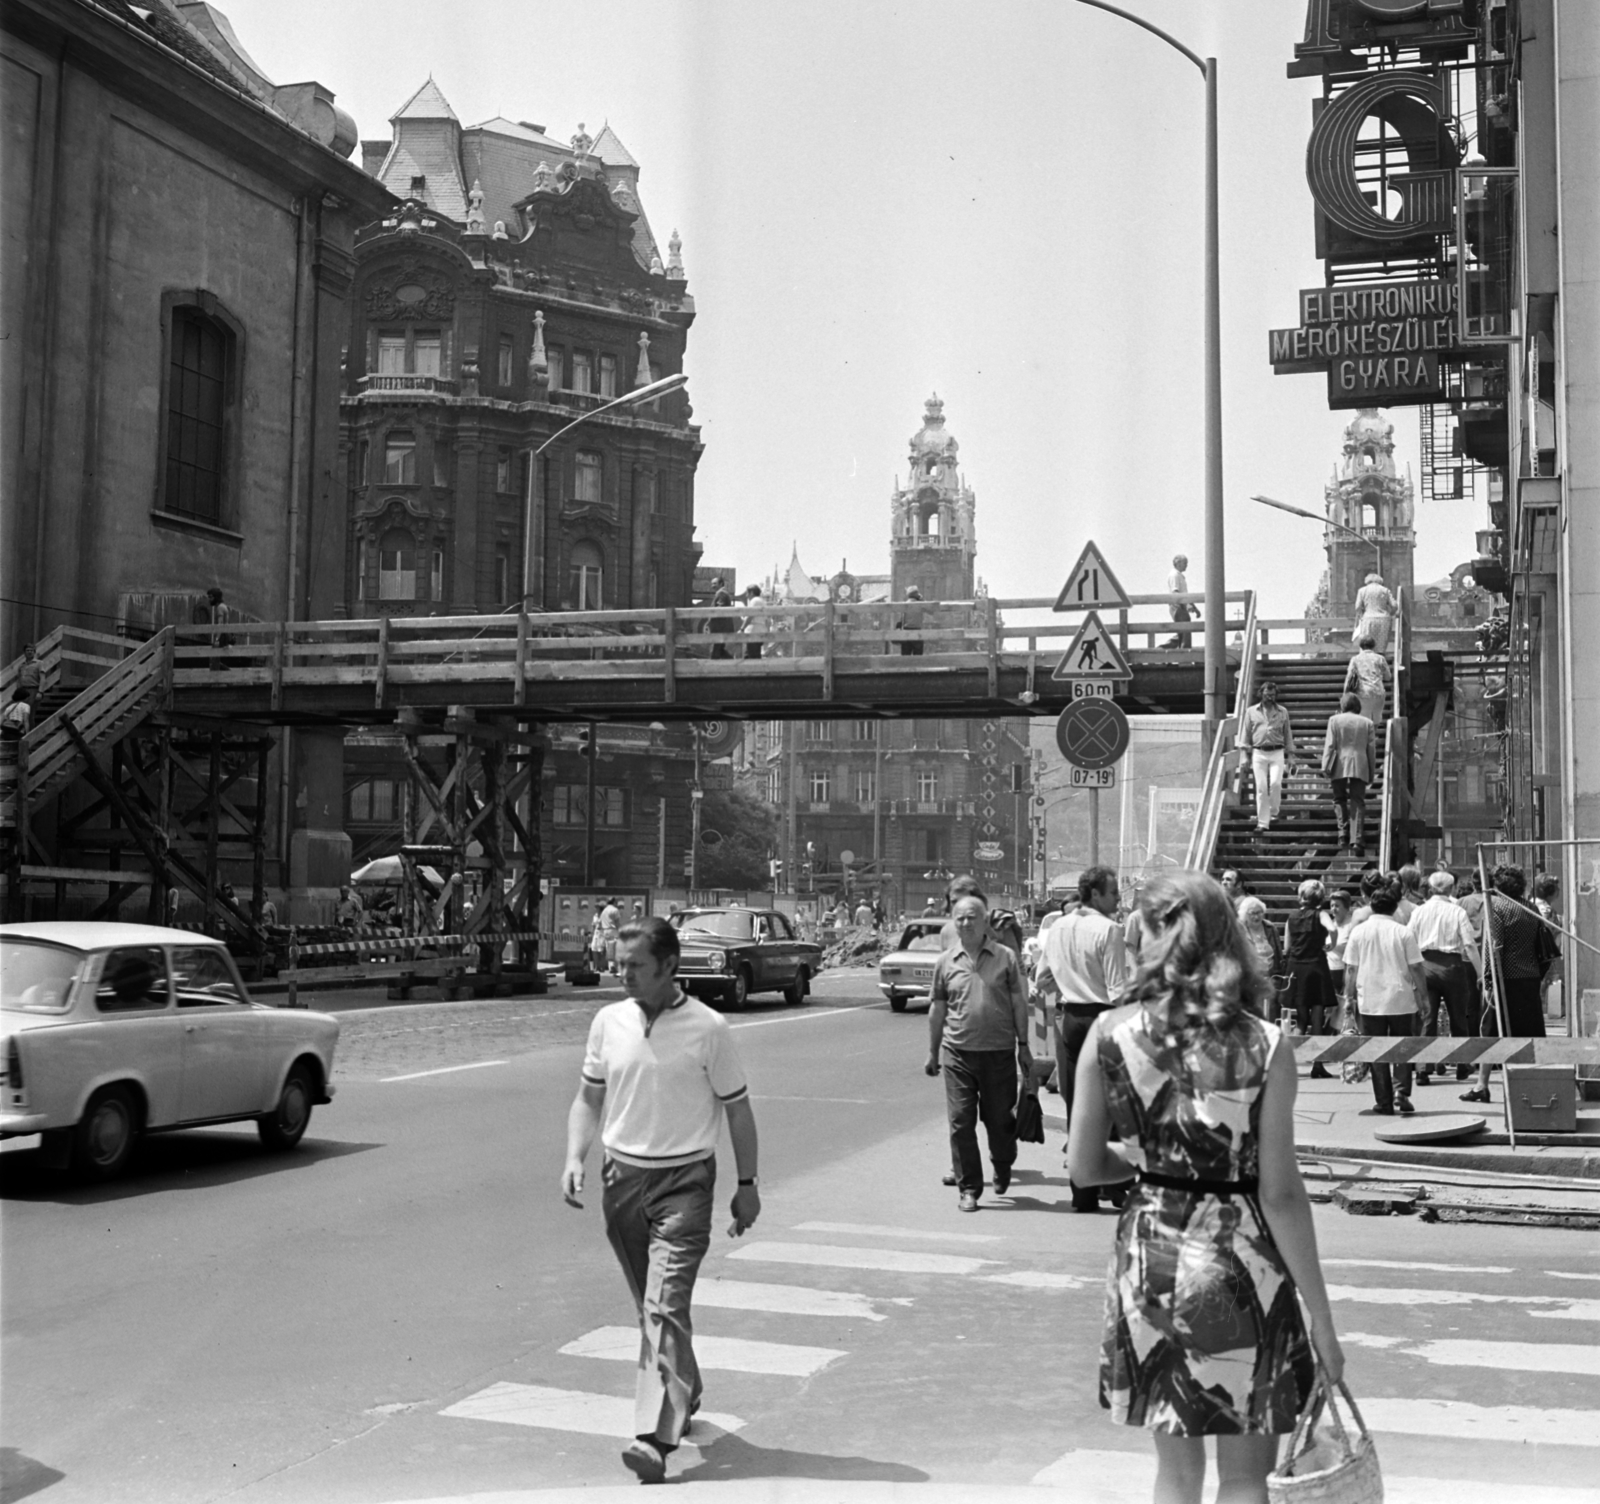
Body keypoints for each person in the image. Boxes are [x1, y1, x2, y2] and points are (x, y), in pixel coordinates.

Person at [1067, 870, 1341, 1502]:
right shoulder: (1263, 1043)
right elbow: (1281, 1193)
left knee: (1175, 1474)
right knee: (1246, 1476)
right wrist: (1322, 1322)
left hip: (1150, 1257)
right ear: (1229, 939)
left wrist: (1150, 1162)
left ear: (1148, 935)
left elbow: (1083, 1167)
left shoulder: (1108, 1035)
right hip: (1240, 1259)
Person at [561, 917, 761, 1484]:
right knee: (653, 1308)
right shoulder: (608, 1021)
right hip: (620, 1181)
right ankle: (685, 1386)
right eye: (619, 964)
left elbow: (739, 1110)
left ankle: (653, 1437)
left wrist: (747, 1186)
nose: (622, 975)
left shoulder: (709, 1028)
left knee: (664, 1306)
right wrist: (575, 1157)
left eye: (635, 967)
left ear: (671, 968)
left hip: (685, 1185)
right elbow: (587, 1098)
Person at [924, 895, 1033, 1212]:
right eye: (959, 918)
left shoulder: (1005, 958)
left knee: (999, 1121)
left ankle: (1002, 1161)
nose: (966, 923)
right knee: (960, 1121)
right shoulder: (945, 962)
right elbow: (937, 1009)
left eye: (972, 917)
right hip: (957, 1053)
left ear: (985, 922)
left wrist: (1024, 1047)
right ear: (953, 923)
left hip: (998, 1053)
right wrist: (932, 1052)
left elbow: (1018, 1004)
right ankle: (969, 1188)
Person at [1041, 865, 1129, 1211]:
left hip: (1072, 1019)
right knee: (1115, 1102)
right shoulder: (1109, 930)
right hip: (1103, 1016)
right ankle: (1117, 1186)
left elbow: (1043, 974)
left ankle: (1083, 1192)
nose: (1118, 899)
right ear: (1095, 894)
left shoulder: (1059, 926)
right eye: (1113, 893)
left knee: (1078, 1103)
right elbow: (1118, 990)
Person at [1462, 864, 1557, 1104]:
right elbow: (1543, 948)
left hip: (1504, 980)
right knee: (1529, 1033)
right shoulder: (1531, 908)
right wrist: (1537, 973)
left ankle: (1482, 1085)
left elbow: (1493, 949)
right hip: (1529, 979)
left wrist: (1488, 982)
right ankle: (1532, 1087)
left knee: (1491, 1032)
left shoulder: (1496, 907)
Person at [1342, 873, 1426, 1115]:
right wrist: (1424, 998)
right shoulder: (1403, 932)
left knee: (1376, 1051)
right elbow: (1417, 968)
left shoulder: (1359, 932)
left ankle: (1384, 1101)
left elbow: (1351, 969)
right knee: (1403, 1047)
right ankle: (1402, 1091)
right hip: (1401, 1000)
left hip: (1369, 1001)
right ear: (1393, 907)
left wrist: (1348, 998)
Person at [1407, 870, 1481, 1087]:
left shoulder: (1419, 912)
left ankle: (1423, 1068)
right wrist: (1479, 972)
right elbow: (1469, 944)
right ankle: (1461, 1064)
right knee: (1459, 1016)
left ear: (1430, 889)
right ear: (1452, 889)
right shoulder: (1457, 912)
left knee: (1427, 1017)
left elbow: (1409, 939)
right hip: (1452, 966)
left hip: (1425, 965)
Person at [1283, 880, 1337, 1079]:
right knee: (1317, 1017)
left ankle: (1290, 1066)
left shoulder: (1291, 917)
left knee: (1300, 1018)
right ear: (1321, 897)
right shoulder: (1321, 914)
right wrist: (1332, 944)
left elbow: (1287, 948)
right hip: (1316, 966)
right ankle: (1318, 1064)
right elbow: (1331, 928)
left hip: (1296, 967)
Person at [1321, 692, 1376, 857]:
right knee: (1357, 801)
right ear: (1357, 706)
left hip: (1339, 763)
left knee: (1339, 799)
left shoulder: (1334, 720)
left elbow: (1330, 745)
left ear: (1343, 705)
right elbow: (1371, 750)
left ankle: (1342, 834)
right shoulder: (1367, 723)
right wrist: (1371, 772)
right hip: (1360, 763)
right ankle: (1357, 839)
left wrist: (1325, 766)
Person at [1239, 681, 1295, 834]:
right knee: (1262, 787)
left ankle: (1274, 812)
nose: (1269, 698)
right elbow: (1246, 734)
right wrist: (1244, 755)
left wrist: (1291, 756)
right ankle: (1263, 822)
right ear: (1261, 694)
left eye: (1272, 695)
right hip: (1259, 752)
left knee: (1276, 783)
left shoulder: (1283, 712)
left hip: (1277, 751)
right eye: (1266, 694)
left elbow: (1288, 734)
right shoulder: (1251, 711)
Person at [1236, 896, 1285, 1017]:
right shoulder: (1240, 929)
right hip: (1249, 979)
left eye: (1259, 913)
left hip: (1270, 977)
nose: (1257, 917)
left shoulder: (1270, 928)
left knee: (1271, 1012)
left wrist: (1279, 976)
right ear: (1245, 914)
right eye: (1253, 913)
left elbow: (1278, 953)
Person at [1343, 636, 1389, 727]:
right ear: (1374, 646)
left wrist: (1345, 693)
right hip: (1378, 691)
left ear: (1361, 646)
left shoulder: (1355, 659)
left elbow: (1349, 678)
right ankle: (1372, 739)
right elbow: (1388, 677)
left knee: (1363, 721)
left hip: (1363, 692)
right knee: (1375, 721)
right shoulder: (1380, 659)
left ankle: (1364, 740)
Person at [1352, 572, 1395, 653]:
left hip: (1368, 618)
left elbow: (1357, 607)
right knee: (1381, 646)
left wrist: (1361, 616)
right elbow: (1394, 605)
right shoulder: (1385, 590)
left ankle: (1367, 661)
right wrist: (1390, 614)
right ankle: (1380, 660)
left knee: (1367, 644)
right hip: (1384, 620)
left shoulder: (1362, 591)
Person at [1163, 553, 1192, 649]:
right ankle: (1184, 653)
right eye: (1185, 563)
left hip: (1181, 605)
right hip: (1178, 606)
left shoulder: (1179, 576)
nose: (1186, 565)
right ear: (1178, 563)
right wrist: (1185, 605)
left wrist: (1192, 606)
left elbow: (1184, 593)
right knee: (1185, 629)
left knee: (1183, 631)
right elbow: (1175, 592)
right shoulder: (1174, 575)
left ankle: (1164, 649)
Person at [707, 578, 736, 659]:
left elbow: (720, 608)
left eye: (715, 583)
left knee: (714, 651)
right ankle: (733, 664)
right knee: (720, 650)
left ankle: (712, 669)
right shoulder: (722, 593)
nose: (713, 586)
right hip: (722, 628)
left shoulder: (721, 593)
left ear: (721, 584)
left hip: (719, 628)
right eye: (712, 584)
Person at [896, 586, 924, 656]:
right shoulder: (920, 604)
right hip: (917, 631)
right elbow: (931, 611)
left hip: (906, 630)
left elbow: (901, 619)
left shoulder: (905, 604)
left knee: (905, 655)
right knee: (918, 656)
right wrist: (922, 599)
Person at [599, 897, 622, 974]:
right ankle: (614, 966)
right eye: (616, 902)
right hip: (613, 930)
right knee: (615, 949)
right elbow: (617, 922)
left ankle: (611, 966)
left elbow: (600, 922)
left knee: (609, 949)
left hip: (605, 931)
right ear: (614, 902)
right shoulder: (615, 910)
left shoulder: (604, 911)